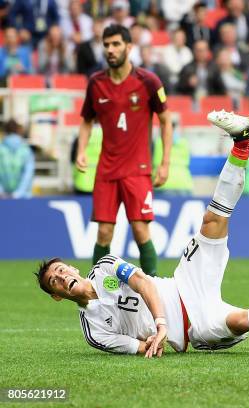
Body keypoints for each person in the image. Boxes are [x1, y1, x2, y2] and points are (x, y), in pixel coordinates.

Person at [35, 120, 249, 356]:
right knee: (246, 320)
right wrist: (155, 338)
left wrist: (160, 323)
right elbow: (143, 347)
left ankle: (243, 142)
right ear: (57, 296)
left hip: (184, 281)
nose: (61, 277)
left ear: (73, 269)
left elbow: (143, 283)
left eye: (61, 270)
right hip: (194, 328)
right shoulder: (94, 332)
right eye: (55, 281)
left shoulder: (104, 267)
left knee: (212, 220)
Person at [75, 24, 173, 277]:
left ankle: (152, 288)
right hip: (106, 170)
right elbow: (86, 119)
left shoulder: (148, 81)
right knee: (104, 232)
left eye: (116, 44)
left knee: (140, 229)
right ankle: (97, 289)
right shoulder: (95, 83)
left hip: (138, 169)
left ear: (129, 47)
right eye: (106, 45)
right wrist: (82, 150)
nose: (110, 49)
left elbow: (165, 120)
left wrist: (164, 163)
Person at [0, 119, 34, 199]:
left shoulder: (1, 149)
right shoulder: (25, 150)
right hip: (23, 198)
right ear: (18, 131)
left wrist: (1, 192)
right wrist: (18, 194)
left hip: (2, 198)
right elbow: (28, 175)